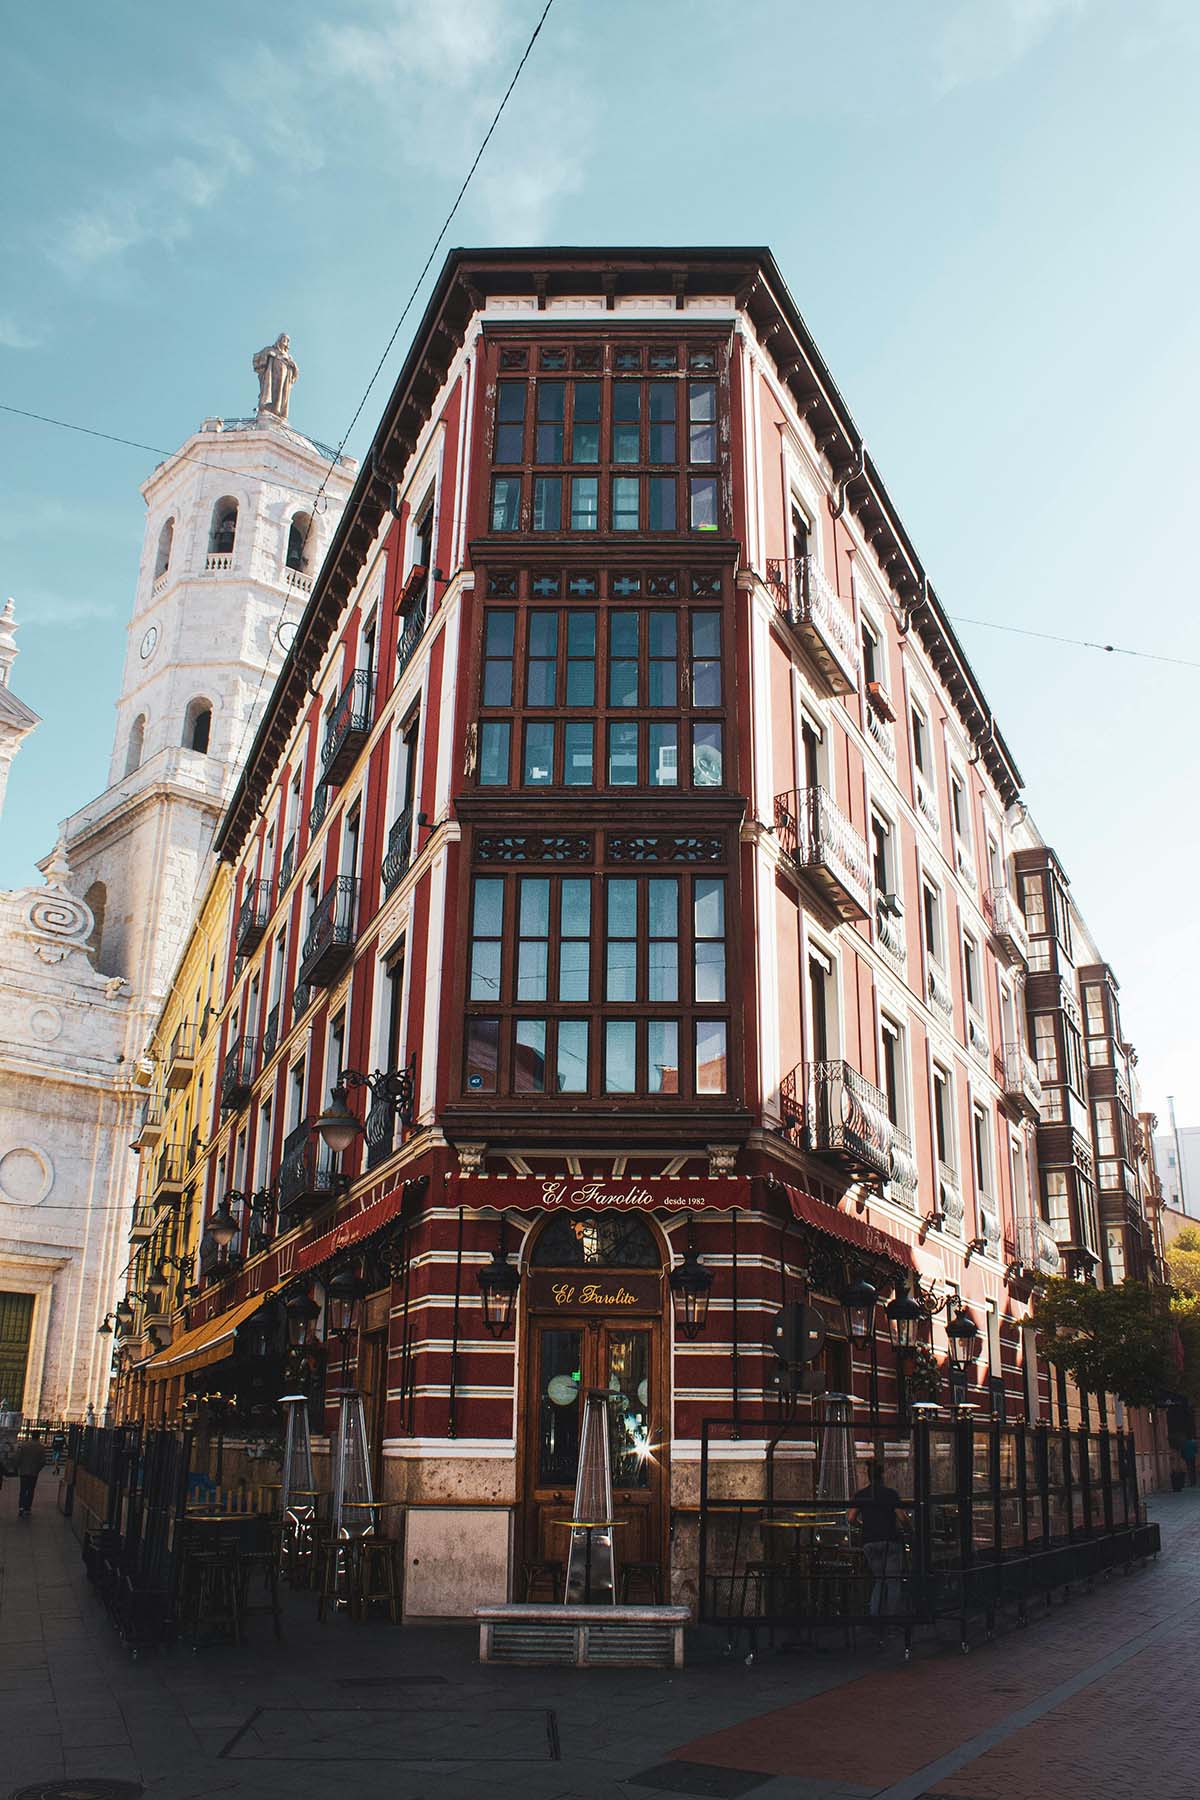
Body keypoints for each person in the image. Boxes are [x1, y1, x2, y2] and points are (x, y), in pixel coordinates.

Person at [848, 1460, 909, 1619]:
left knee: (879, 1581)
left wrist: (863, 1526)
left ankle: (874, 1616)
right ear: (882, 1475)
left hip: (869, 1542)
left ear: (868, 1476)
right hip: (890, 1540)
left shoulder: (861, 1495)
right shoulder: (890, 1494)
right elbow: (902, 1517)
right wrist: (910, 1530)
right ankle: (892, 1619)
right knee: (893, 1581)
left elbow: (851, 1518)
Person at [16, 1432, 46, 1517]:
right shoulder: (41, 1447)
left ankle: (21, 1507)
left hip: (24, 1472)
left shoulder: (24, 1445)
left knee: (22, 1490)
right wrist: (37, 1469)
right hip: (33, 1473)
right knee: (30, 1490)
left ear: (31, 1436)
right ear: (39, 1437)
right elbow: (43, 1461)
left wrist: (18, 1467)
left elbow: (18, 1457)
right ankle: (27, 1508)